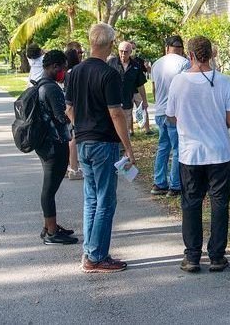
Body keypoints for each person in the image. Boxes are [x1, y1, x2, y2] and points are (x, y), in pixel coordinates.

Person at [65, 23, 135, 273]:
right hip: (103, 142)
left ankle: (90, 250)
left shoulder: (74, 72)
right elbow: (116, 113)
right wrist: (128, 147)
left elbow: (69, 108)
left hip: (83, 141)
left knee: (91, 199)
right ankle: (96, 256)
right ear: (111, 44)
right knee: (105, 200)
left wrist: (82, 127)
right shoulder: (109, 74)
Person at [166, 36, 230, 272]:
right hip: (218, 152)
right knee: (220, 204)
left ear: (190, 55)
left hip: (190, 153)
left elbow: (171, 116)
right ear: (212, 53)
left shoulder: (178, 82)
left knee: (191, 203)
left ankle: (192, 256)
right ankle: (217, 255)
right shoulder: (224, 81)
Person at [35, 50, 77, 245]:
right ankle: (51, 232)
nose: (64, 72)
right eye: (63, 68)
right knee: (49, 188)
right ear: (54, 67)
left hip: (46, 143)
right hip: (54, 144)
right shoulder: (51, 88)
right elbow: (62, 116)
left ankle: (49, 226)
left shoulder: (41, 84)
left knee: (50, 187)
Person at [150, 35, 190, 197]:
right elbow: (185, 89)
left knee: (163, 147)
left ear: (167, 48)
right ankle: (175, 185)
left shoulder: (156, 64)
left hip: (160, 110)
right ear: (181, 48)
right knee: (178, 148)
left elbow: (154, 89)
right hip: (175, 111)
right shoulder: (184, 63)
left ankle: (159, 182)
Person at [107, 41, 148, 135]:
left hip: (127, 100)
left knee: (125, 127)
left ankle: (125, 141)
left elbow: (140, 85)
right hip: (113, 100)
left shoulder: (136, 66)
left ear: (130, 52)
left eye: (126, 52)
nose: (123, 54)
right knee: (113, 126)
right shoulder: (111, 63)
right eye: (121, 51)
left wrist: (145, 101)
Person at [64, 42, 84, 181]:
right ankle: (74, 168)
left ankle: (70, 166)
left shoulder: (67, 73)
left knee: (71, 136)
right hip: (74, 107)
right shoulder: (73, 73)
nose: (81, 55)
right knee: (74, 137)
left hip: (70, 106)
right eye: (79, 53)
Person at [129, 41, 152, 134]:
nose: (132, 50)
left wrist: (148, 67)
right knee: (128, 111)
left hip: (138, 90)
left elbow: (148, 71)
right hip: (128, 91)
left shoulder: (139, 61)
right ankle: (130, 130)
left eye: (134, 48)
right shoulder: (123, 61)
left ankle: (147, 129)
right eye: (131, 48)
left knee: (143, 108)